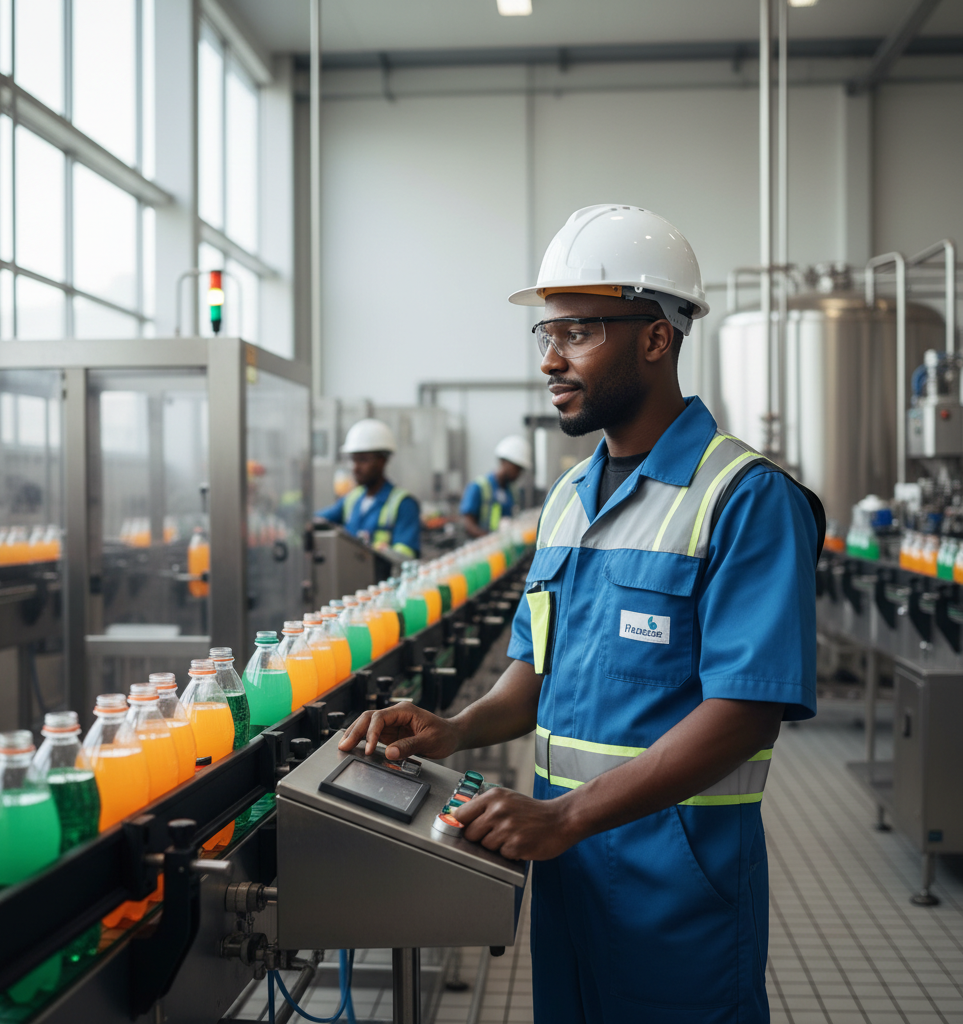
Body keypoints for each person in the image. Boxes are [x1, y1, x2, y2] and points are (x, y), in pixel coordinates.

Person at [340, 205, 825, 1023]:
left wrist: (566, 815)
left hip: (677, 887)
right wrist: (456, 728)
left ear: (657, 337)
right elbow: (536, 672)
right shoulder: (568, 498)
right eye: (547, 333)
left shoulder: (745, 497)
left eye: (579, 332)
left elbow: (746, 713)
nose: (550, 359)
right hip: (568, 877)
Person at [315, 418, 421, 559]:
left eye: (363, 460)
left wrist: (383, 552)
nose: (355, 468)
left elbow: (406, 554)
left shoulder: (403, 504)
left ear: (382, 461)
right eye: (353, 460)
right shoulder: (352, 499)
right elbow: (319, 520)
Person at [459, 435, 532, 538]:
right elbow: (468, 524)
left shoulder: (512, 491)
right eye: (516, 468)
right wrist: (490, 538)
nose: (518, 474)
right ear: (504, 462)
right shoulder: (478, 487)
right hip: (483, 546)